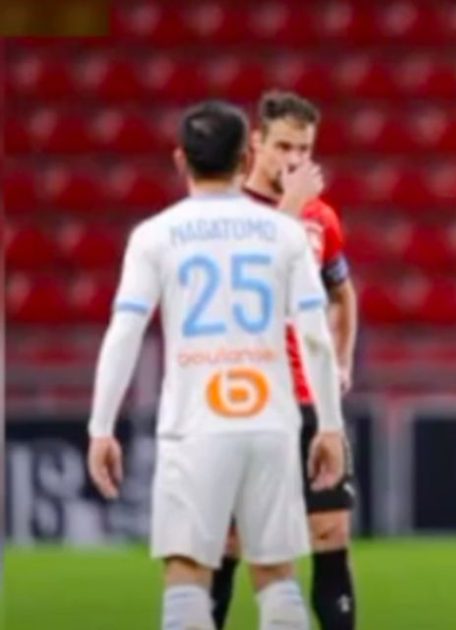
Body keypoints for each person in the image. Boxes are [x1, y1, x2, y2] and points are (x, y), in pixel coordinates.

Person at [85, 100, 346, 629]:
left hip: (196, 423)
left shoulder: (155, 235)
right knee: (276, 574)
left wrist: (101, 427)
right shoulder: (286, 233)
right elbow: (317, 337)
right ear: (242, 156)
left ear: (181, 160)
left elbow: (125, 331)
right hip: (272, 419)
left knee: (187, 571)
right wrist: (332, 426)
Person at [209, 90, 360, 630]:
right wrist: (290, 211)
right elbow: (237, 305)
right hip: (243, 401)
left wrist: (341, 362)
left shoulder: (323, 219)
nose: (294, 160)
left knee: (331, 535)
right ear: (257, 144)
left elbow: (343, 294)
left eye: (304, 148)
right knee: (227, 545)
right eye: (283, 147)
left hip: (309, 401)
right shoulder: (225, 214)